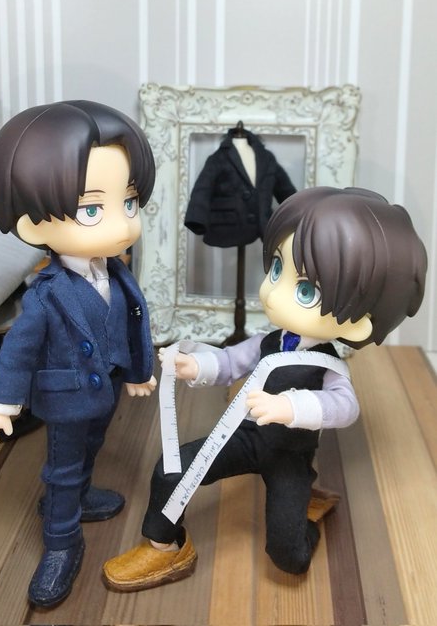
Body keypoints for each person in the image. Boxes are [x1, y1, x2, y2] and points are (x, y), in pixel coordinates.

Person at [103, 186, 427, 591]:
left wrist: (290, 407)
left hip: (289, 454)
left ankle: (304, 514)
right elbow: (229, 362)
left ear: (360, 323)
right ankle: (164, 546)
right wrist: (194, 365)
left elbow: (346, 407)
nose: (273, 292)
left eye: (304, 290)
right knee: (174, 468)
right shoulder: (268, 341)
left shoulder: (330, 365)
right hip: (245, 437)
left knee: (288, 555)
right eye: (276, 269)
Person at [0, 100, 156, 607]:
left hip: (105, 390)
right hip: (65, 398)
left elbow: (131, 322)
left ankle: (81, 494)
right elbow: (18, 351)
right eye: (91, 210)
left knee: (90, 448)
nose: (122, 225)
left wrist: (138, 370)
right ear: (32, 223)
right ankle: (61, 541)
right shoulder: (45, 294)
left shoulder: (116, 272)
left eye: (130, 203)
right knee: (61, 466)